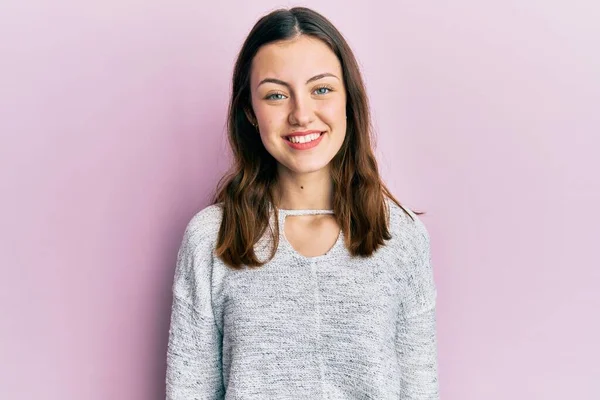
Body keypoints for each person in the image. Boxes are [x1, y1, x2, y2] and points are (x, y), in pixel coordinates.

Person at [165, 6, 439, 399]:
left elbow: (420, 388)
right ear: (250, 111)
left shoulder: (402, 235)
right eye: (276, 95)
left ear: (349, 99)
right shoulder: (211, 238)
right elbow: (189, 391)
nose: (301, 114)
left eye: (322, 89)